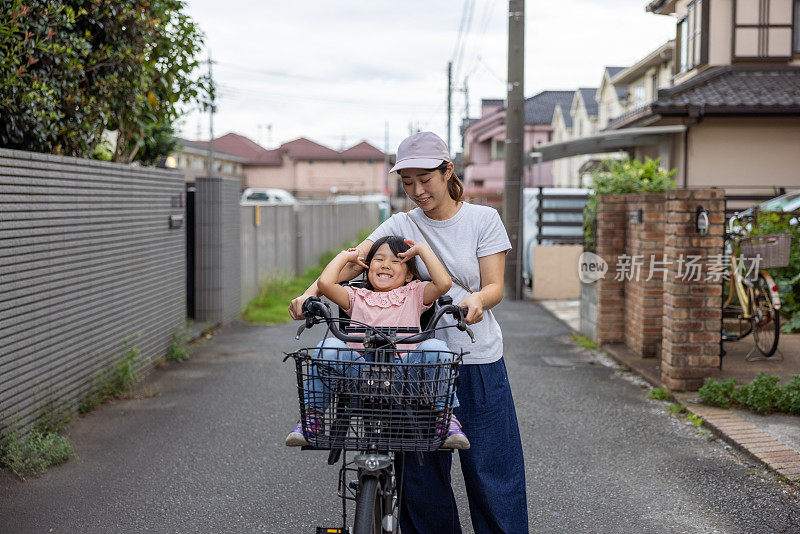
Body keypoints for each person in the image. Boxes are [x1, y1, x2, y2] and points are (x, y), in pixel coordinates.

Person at [289, 131, 528, 533]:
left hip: (475, 361)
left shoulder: (483, 220)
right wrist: (307, 294)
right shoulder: (401, 223)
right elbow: (353, 264)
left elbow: (495, 286)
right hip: (409, 366)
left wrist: (477, 301)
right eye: (407, 182)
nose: (417, 191)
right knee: (421, 482)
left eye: (425, 179)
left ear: (447, 171)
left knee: (492, 475)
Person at [286, 234, 470, 449]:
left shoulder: (415, 293)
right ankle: (312, 420)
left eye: (396, 261)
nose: (386, 265)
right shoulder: (355, 295)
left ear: (410, 274)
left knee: (436, 348)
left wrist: (422, 250)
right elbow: (326, 284)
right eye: (379, 259)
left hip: (404, 377)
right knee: (328, 347)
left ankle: (445, 419)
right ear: (367, 266)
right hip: (359, 375)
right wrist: (345, 256)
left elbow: (443, 283)